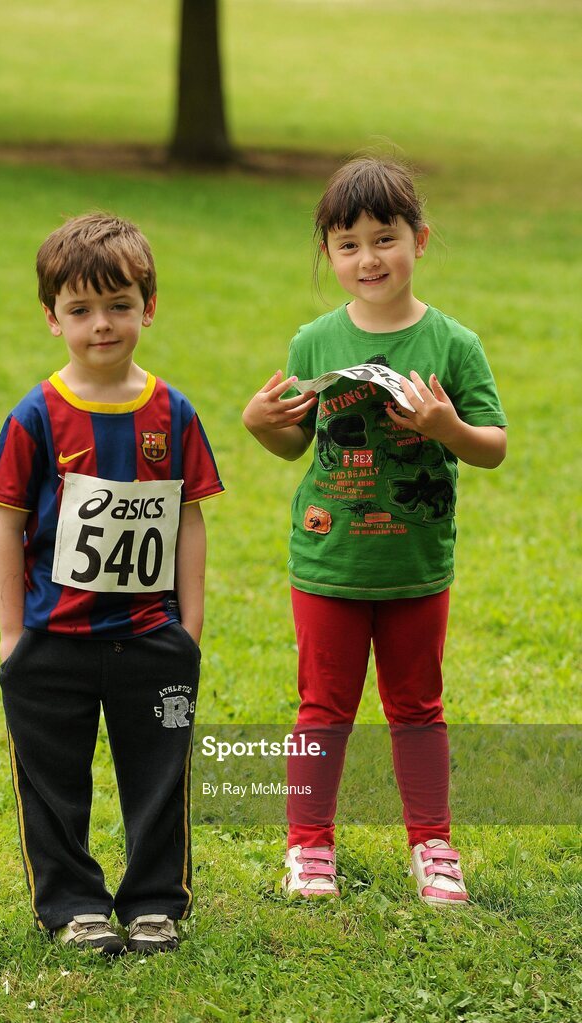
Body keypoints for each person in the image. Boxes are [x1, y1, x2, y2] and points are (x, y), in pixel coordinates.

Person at [242, 157, 507, 906]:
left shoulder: (453, 344)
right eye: (348, 243)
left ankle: (431, 843)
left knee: (417, 705)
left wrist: (444, 425)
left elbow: (491, 445)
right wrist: (260, 426)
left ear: (419, 241)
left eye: (384, 238)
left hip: (416, 562)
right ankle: (308, 846)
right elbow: (298, 444)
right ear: (327, 253)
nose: (368, 258)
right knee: (322, 708)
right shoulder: (312, 342)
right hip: (328, 560)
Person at [0, 213, 223, 954]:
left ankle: (154, 901)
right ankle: (74, 905)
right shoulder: (36, 415)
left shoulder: (173, 412)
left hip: (150, 638)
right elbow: (5, 525)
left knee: (157, 777)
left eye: (119, 305)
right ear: (51, 318)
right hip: (54, 636)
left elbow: (187, 520)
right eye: (80, 309)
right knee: (53, 783)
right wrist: (14, 635)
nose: (102, 324)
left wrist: (189, 625)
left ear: (148, 306)